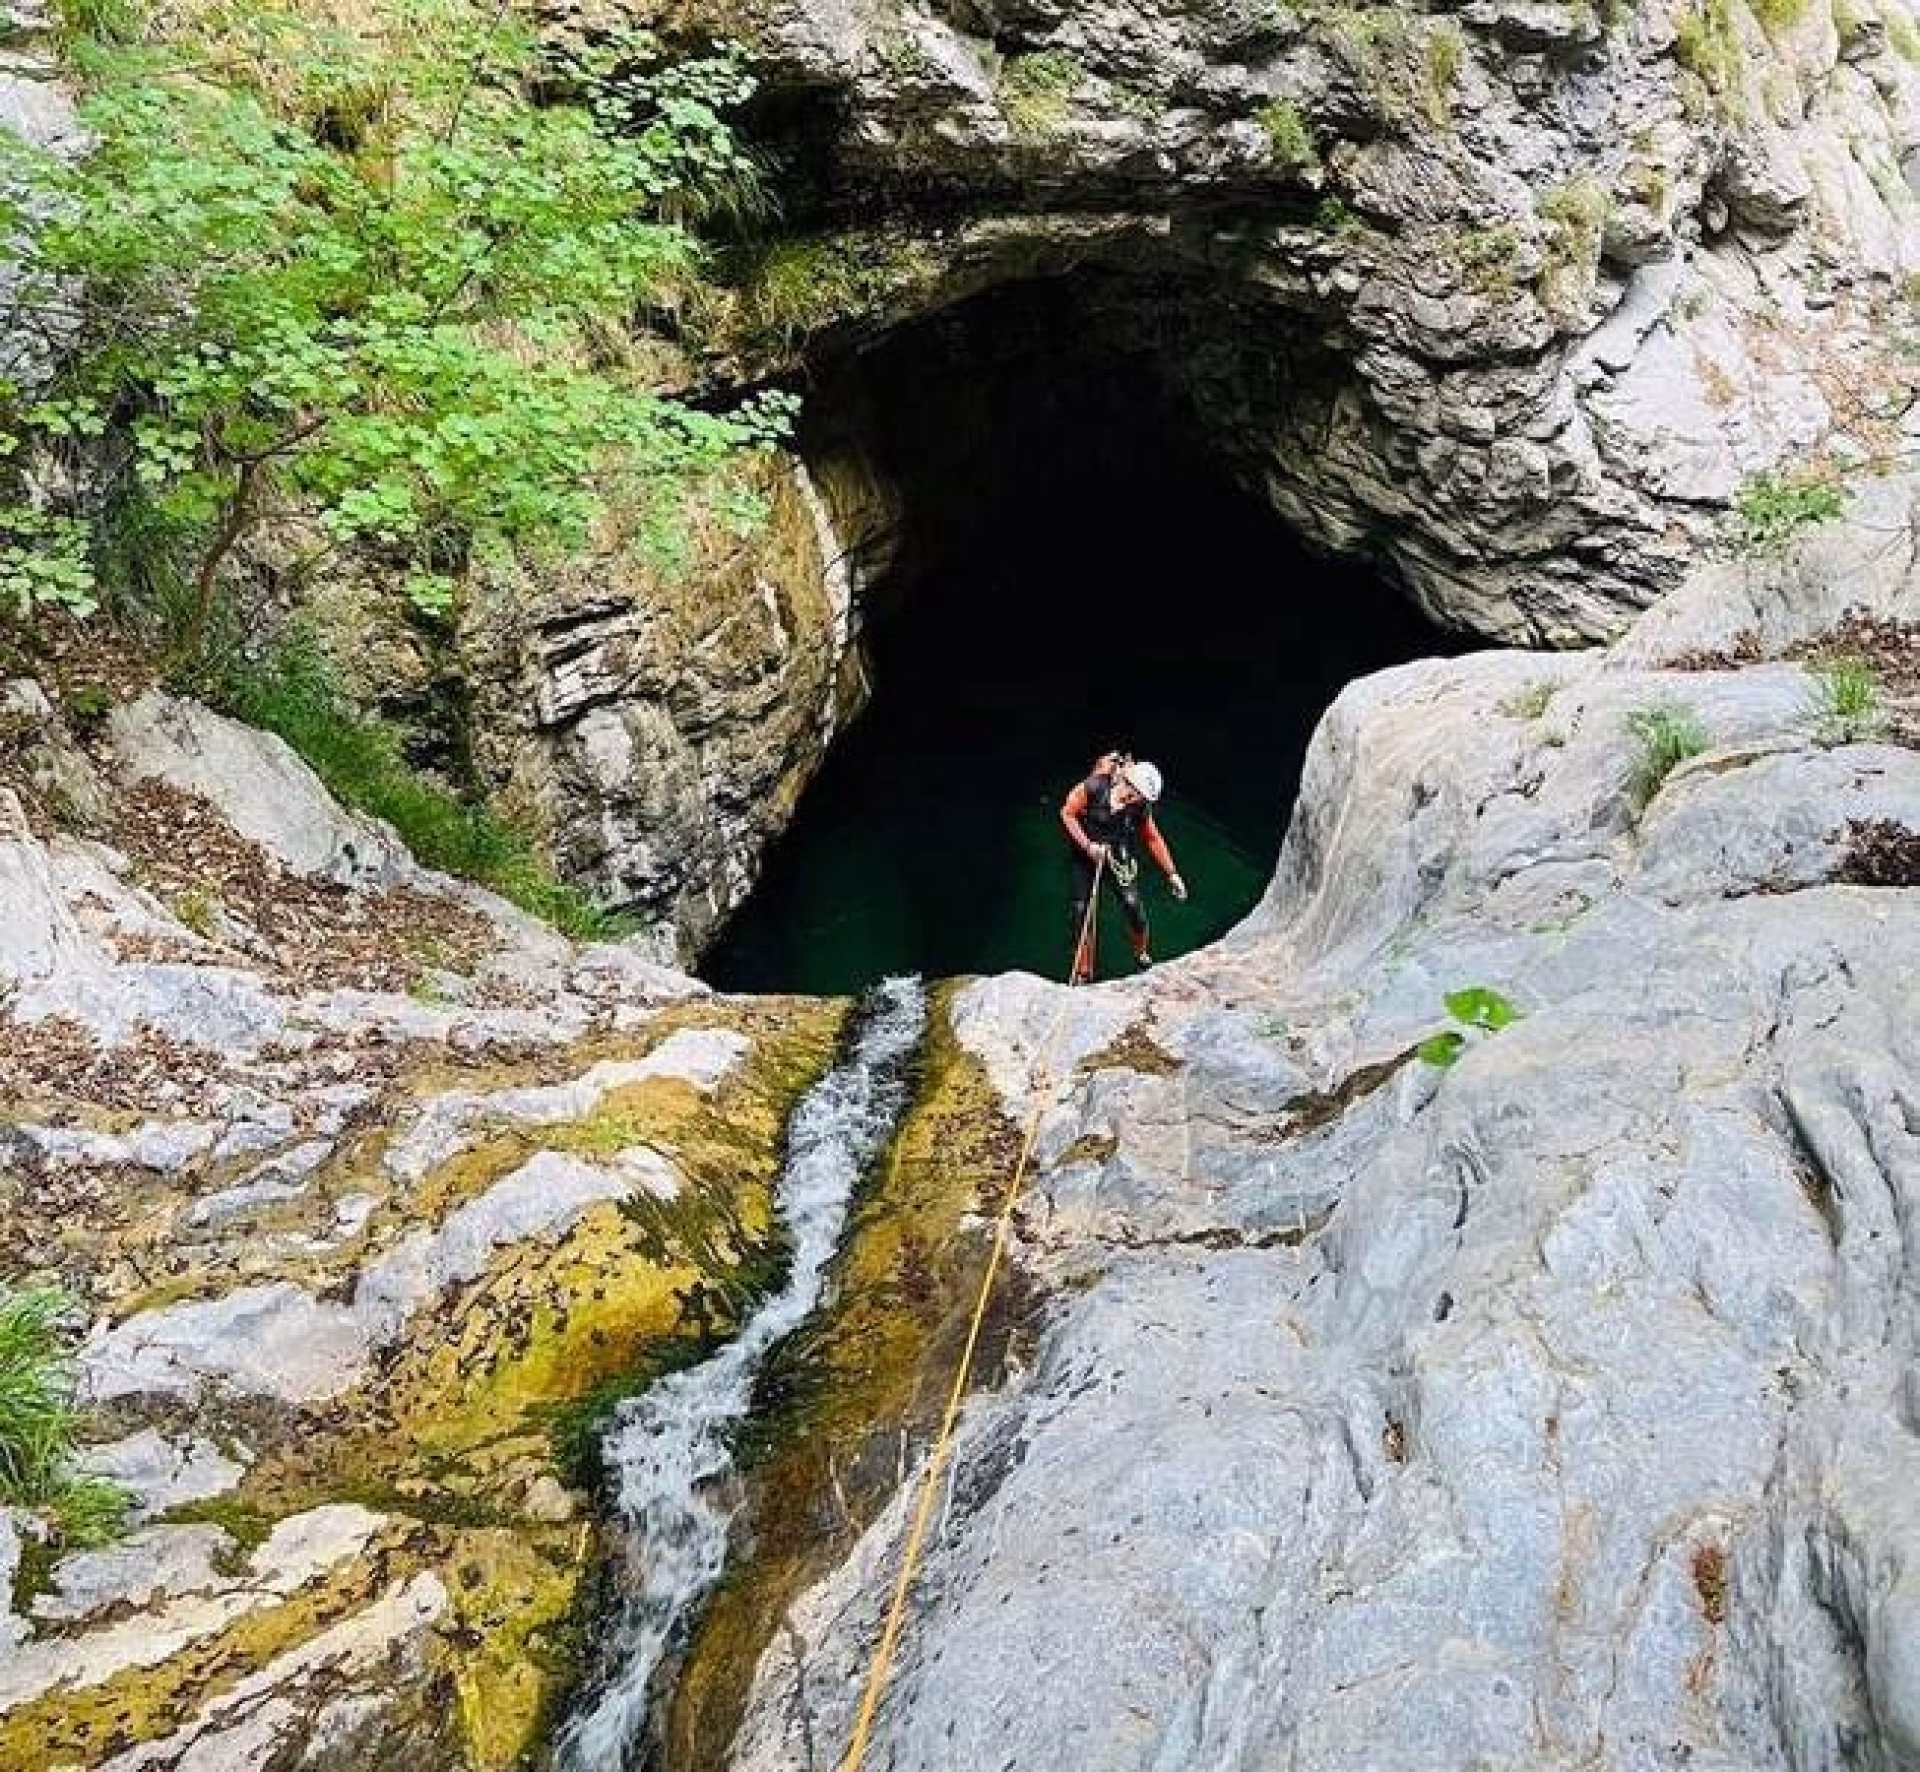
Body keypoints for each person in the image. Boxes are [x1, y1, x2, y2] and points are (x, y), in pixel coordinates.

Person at [1059, 750, 1188, 983]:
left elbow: (1152, 838)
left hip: (1117, 856)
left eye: (1140, 797)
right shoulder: (1094, 787)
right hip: (1085, 854)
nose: (1134, 799)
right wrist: (1088, 846)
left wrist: (1172, 873)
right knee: (1081, 912)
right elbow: (1068, 813)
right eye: (1134, 792)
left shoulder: (1139, 808)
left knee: (1133, 908)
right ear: (1126, 780)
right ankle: (1084, 970)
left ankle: (1141, 954)